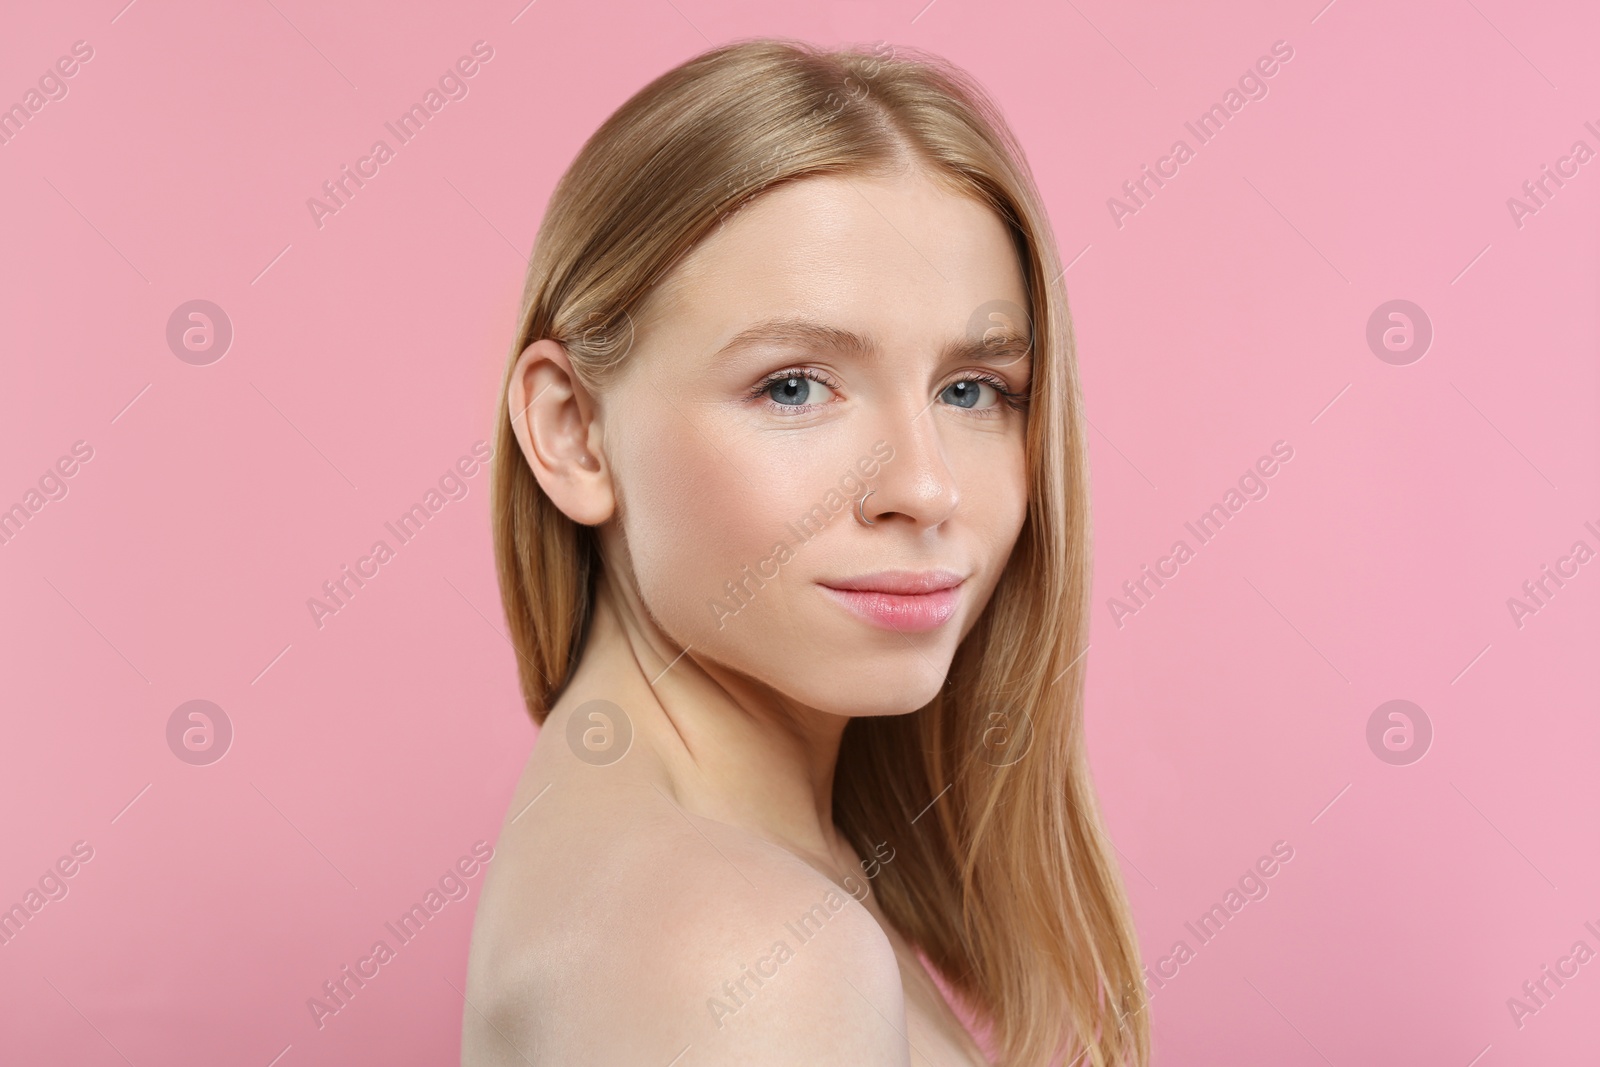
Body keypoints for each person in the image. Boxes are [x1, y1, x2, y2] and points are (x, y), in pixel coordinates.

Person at [461, 37, 1149, 1067]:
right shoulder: (741, 949)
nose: (925, 485)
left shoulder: (723, 861)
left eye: (971, 389)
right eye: (793, 385)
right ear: (572, 430)